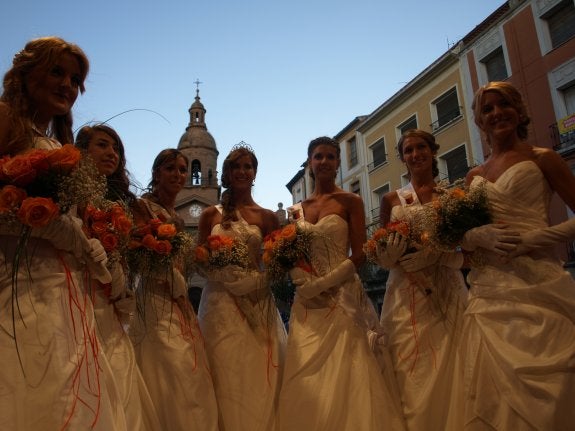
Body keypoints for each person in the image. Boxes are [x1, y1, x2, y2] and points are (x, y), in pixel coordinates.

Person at [0, 37, 126, 430]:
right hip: (22, 281)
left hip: (65, 287)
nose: (68, 85)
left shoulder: (58, 143)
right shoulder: (4, 120)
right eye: (57, 72)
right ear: (26, 74)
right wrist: (59, 229)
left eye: (75, 79)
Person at [458, 81, 575, 430]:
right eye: (488, 109)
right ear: (480, 120)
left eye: (504, 104)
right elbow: (462, 243)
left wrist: (538, 239)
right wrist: (475, 234)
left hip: (539, 283)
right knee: (491, 390)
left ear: (519, 110)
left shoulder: (543, 158)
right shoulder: (473, 176)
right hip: (489, 291)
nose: (497, 113)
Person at [278, 136, 405, 431]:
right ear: (310, 163)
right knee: (307, 375)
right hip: (308, 305)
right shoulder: (297, 211)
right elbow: (289, 253)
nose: (324, 162)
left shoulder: (350, 201)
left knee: (350, 371)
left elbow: (360, 253)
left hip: (343, 295)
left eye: (330, 157)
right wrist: (301, 281)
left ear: (338, 163)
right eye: (318, 156)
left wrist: (326, 282)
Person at [377, 129, 468, 429]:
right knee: (410, 368)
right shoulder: (392, 199)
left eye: (420, 148)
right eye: (408, 150)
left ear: (432, 151)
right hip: (404, 292)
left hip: (446, 288)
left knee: (454, 362)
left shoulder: (451, 196)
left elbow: (467, 251)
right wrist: (387, 257)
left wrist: (440, 255)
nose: (415, 154)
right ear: (403, 158)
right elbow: (379, 247)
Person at [75, 124, 161, 431]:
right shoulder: (70, 190)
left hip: (114, 301)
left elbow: (132, 253)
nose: (112, 153)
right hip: (80, 294)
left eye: (117, 149)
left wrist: (123, 282)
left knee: (119, 377)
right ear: (82, 151)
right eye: (102, 145)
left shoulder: (125, 202)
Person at [197, 144, 287, 431]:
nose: (242, 171)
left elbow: (277, 266)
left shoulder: (267, 217)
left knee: (254, 374)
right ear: (226, 172)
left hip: (255, 303)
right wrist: (219, 272)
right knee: (220, 371)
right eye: (236, 166)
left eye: (247, 166)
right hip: (218, 305)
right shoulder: (210, 214)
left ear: (255, 173)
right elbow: (198, 260)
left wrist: (257, 281)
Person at [130, 148, 218, 430]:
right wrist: (175, 280)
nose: (180, 175)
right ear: (156, 173)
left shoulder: (177, 218)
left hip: (178, 303)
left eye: (184, 169)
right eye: (171, 169)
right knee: (169, 365)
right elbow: (140, 255)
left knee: (186, 368)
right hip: (156, 299)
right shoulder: (142, 206)